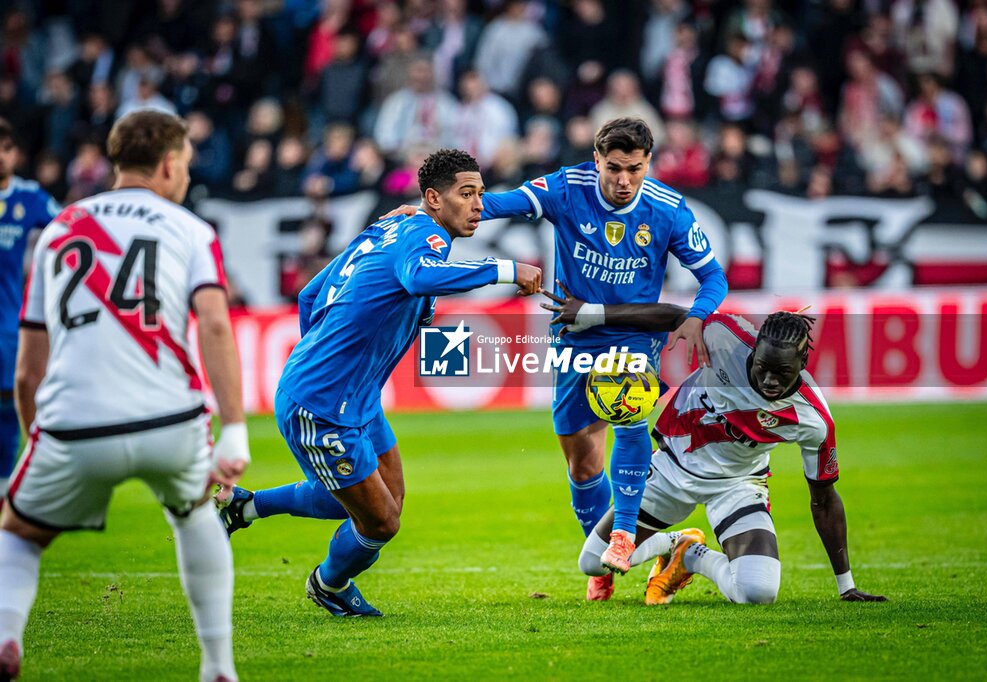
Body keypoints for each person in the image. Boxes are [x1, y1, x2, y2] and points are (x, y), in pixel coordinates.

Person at [385, 118, 728, 596]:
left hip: (631, 333)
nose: (624, 180)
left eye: (635, 169)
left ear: (648, 162)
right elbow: (499, 204)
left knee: (629, 415)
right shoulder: (568, 187)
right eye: (614, 169)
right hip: (573, 333)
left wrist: (696, 316)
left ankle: (625, 534)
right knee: (582, 463)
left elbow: (714, 277)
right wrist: (430, 214)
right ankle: (611, 557)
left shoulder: (669, 209)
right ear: (597, 162)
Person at [218, 149, 541, 617]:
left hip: (356, 396)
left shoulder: (389, 228)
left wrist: (343, 362)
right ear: (433, 198)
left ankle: (245, 507)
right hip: (321, 402)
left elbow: (310, 295)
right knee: (381, 521)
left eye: (480, 194)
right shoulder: (423, 234)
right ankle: (328, 584)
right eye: (466, 194)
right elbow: (416, 276)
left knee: (385, 498)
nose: (477, 205)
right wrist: (507, 269)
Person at [0, 110, 251, 681]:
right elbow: (214, 325)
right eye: (185, 165)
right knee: (194, 516)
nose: (185, 177)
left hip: (74, 424)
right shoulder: (191, 229)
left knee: (19, 534)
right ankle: (217, 666)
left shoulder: (60, 229)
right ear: (168, 165)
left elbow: (27, 370)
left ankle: (5, 635)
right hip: (171, 419)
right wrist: (233, 426)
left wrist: (40, 437)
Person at [543, 288, 885, 604]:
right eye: (762, 367)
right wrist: (593, 314)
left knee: (758, 593)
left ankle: (690, 554)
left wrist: (847, 586)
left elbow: (823, 498)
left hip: (738, 486)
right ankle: (671, 542)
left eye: (782, 373)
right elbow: (671, 315)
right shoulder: (725, 336)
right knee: (592, 563)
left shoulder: (813, 419)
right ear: (754, 351)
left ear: (802, 365)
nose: (769, 380)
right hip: (671, 470)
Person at [0, 118, 60, 502]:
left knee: (8, 405)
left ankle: (8, 486)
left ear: (15, 154)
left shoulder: (29, 198)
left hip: (7, 324)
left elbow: (72, 230)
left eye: (4, 148)